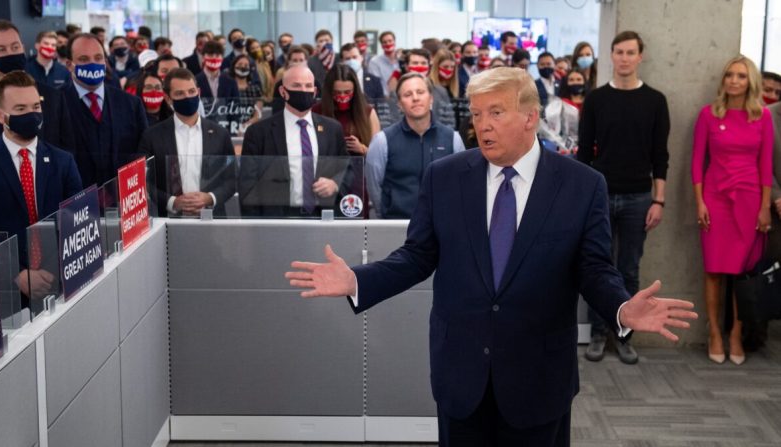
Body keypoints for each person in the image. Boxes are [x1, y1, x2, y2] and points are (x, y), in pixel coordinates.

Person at [285, 66, 696, 447]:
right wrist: (358, 281)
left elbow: (593, 269)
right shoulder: (445, 177)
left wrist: (622, 309)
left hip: (538, 379)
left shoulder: (582, 185)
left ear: (530, 117)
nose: (482, 125)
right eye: (478, 114)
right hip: (462, 376)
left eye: (496, 113)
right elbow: (416, 256)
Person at [578, 31, 670, 365]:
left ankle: (624, 334)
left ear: (640, 56)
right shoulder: (597, 100)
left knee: (629, 269)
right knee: (596, 267)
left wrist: (658, 201)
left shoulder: (655, 101)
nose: (624, 58)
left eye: (631, 52)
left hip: (638, 197)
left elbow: (660, 155)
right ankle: (599, 333)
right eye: (619, 52)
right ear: (612, 56)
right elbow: (584, 153)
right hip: (600, 195)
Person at [691, 55, 773, 365]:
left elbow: (765, 165)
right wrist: (699, 201)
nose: (734, 80)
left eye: (740, 75)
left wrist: (765, 208)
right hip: (715, 200)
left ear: (750, 81)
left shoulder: (762, 116)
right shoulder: (708, 115)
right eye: (730, 75)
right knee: (713, 270)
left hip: (750, 201)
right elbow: (698, 162)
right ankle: (714, 332)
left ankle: (736, 333)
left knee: (742, 273)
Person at [0, 71, 82, 305]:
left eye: (35, 107)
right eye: (20, 109)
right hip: (3, 291)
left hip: (60, 282)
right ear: (0, 116)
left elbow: (78, 220)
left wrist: (57, 269)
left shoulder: (63, 161)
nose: (31, 114)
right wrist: (17, 274)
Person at [239, 64, 349, 217]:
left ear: (315, 91)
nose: (303, 90)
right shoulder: (258, 132)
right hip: (277, 220)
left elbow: (346, 167)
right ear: (283, 92)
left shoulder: (332, 129)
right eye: (296, 85)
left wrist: (335, 183)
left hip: (323, 218)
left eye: (308, 86)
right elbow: (247, 183)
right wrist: (254, 226)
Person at [139, 67, 235, 218]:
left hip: (213, 221)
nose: (187, 97)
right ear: (168, 98)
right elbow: (143, 181)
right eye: (179, 93)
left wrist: (210, 198)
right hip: (167, 224)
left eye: (191, 92)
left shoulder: (220, 134)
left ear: (199, 92)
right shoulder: (152, 136)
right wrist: (172, 202)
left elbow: (232, 178)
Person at [366, 72, 464, 219]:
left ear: (431, 98)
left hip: (442, 227)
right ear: (399, 104)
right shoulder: (382, 141)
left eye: (420, 92)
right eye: (407, 94)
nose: (415, 98)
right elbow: (374, 188)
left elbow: (461, 184)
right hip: (396, 225)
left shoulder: (452, 139)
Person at [61, 32, 148, 187]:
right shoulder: (56, 105)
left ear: (105, 61)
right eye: (83, 59)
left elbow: (143, 153)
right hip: (76, 202)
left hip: (122, 199)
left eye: (98, 58)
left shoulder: (131, 104)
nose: (92, 63)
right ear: (69, 65)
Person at [0, 20, 74, 152]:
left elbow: (67, 149)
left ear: (23, 48)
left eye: (15, 47)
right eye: (1, 49)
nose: (10, 53)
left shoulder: (53, 97)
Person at [313, 64, 381, 217]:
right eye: (337, 92)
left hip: (356, 179)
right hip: (323, 179)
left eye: (347, 92)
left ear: (355, 91)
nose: (342, 96)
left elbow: (379, 155)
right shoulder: (316, 111)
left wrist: (362, 148)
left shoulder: (367, 112)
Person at [538, 68, 586, 156]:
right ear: (566, 83)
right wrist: (564, 146)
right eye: (571, 80)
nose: (575, 82)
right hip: (566, 151)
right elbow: (548, 129)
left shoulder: (591, 102)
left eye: (579, 79)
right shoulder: (557, 104)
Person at [368, 31, 399, 95]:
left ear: (394, 42)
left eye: (390, 41)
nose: (388, 44)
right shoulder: (375, 62)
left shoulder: (402, 60)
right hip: (383, 100)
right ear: (381, 45)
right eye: (384, 42)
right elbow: (375, 84)